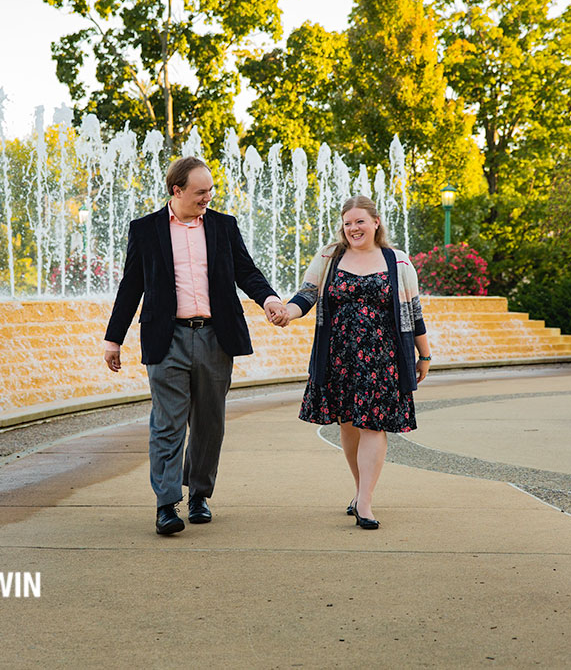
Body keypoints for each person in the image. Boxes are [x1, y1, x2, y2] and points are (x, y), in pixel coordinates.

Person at [104, 156, 287, 535]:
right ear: (177, 190)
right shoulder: (145, 230)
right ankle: (166, 505)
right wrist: (113, 339)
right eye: (200, 192)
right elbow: (130, 286)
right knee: (167, 424)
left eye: (210, 191)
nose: (208, 197)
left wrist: (269, 298)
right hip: (165, 337)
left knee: (209, 423)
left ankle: (199, 494)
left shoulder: (223, 226)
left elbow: (246, 271)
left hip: (214, 337)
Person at [270, 195, 431, 530]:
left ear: (375, 222)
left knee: (373, 425)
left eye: (360, 221)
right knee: (348, 423)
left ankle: (366, 504)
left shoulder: (397, 262)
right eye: (347, 223)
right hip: (337, 355)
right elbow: (307, 295)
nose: (353, 228)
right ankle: (361, 490)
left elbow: (413, 312)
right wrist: (288, 312)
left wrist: (424, 354)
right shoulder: (330, 256)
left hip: (382, 357)